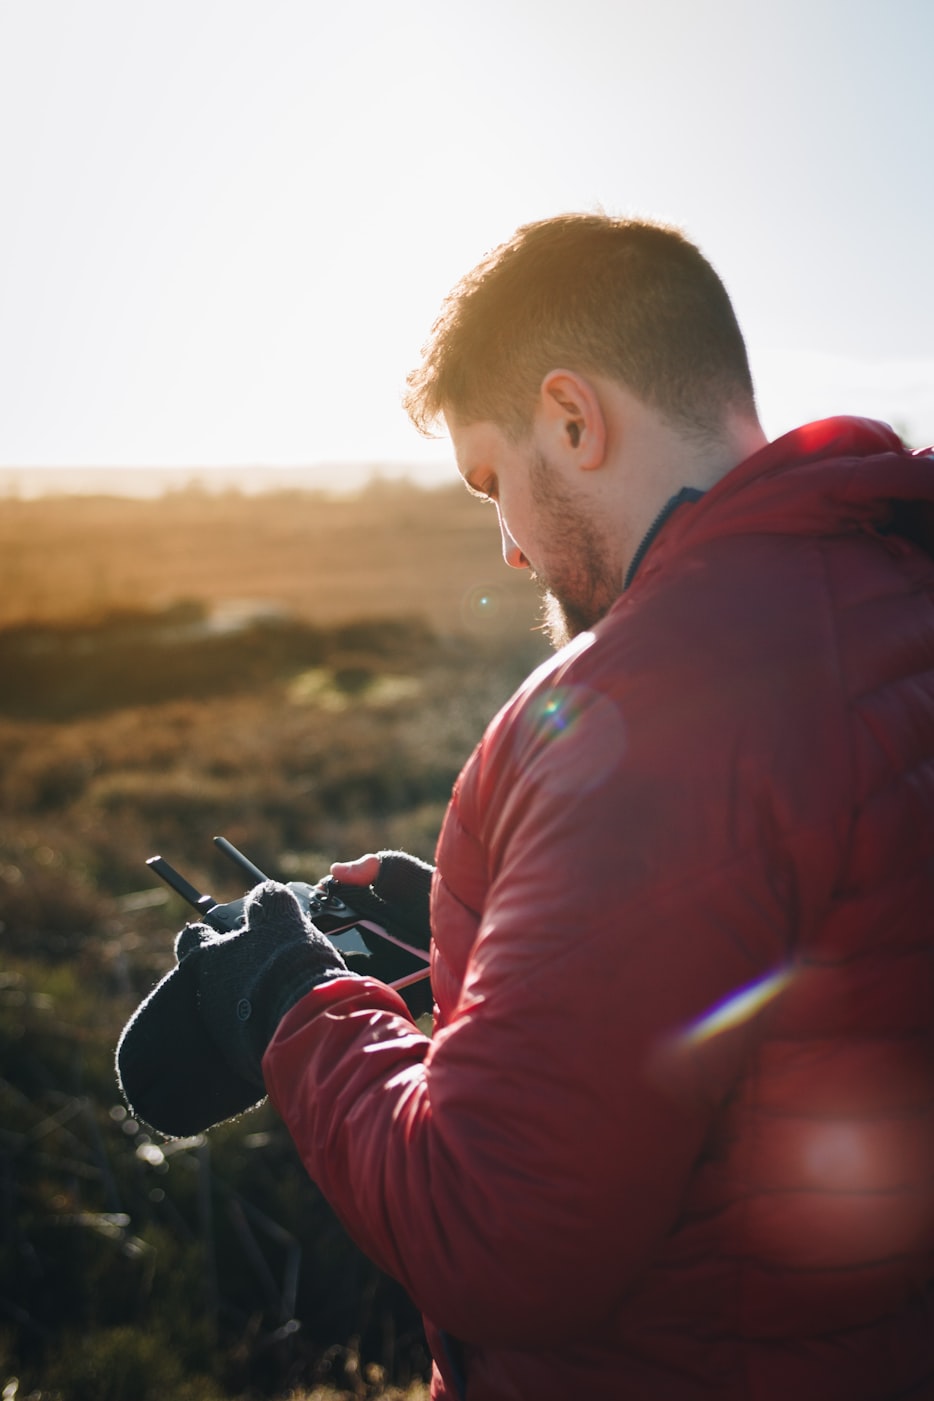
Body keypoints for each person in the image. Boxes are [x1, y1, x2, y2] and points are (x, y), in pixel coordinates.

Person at [124, 214, 934, 1399]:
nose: (505, 546)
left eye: (492, 481)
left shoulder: (660, 702)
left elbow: (495, 1237)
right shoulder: (890, 590)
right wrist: (490, 940)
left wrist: (293, 1005)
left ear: (573, 416)